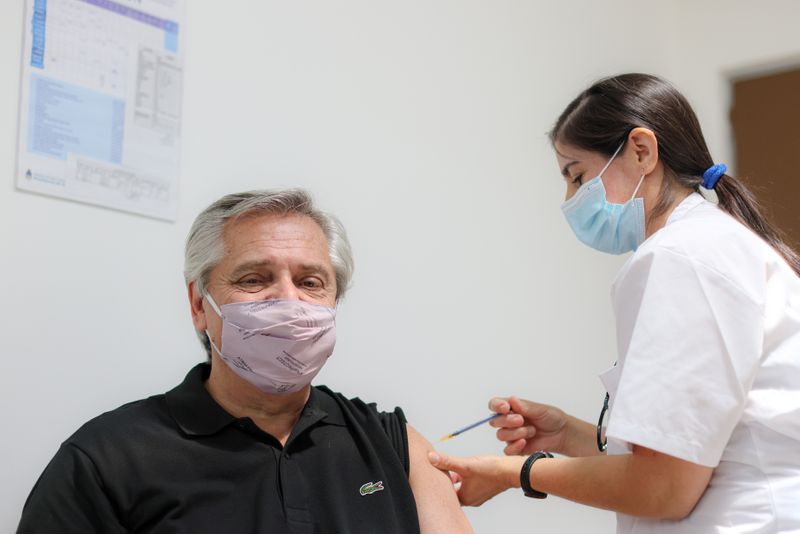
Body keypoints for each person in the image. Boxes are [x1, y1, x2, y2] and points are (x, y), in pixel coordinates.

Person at [428, 73, 800, 532]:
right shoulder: (713, 246)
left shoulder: (680, 258)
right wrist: (570, 434)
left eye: (577, 176)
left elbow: (665, 487)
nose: (569, 200)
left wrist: (513, 473)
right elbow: (691, 450)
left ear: (641, 151)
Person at [18, 189, 473, 534]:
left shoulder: (392, 444)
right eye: (254, 279)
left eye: (311, 282)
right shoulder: (104, 460)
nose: (288, 300)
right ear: (200, 304)